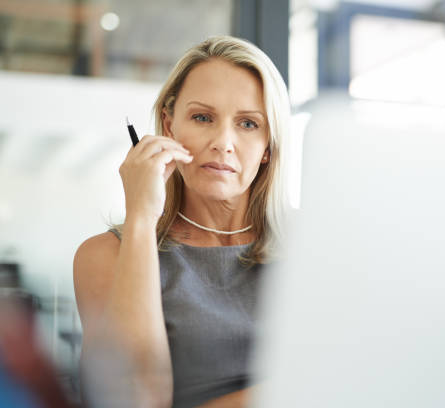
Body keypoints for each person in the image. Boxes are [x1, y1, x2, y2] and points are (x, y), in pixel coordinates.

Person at [73, 35, 290, 408]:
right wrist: (141, 219)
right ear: (170, 127)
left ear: (269, 145)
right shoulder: (107, 255)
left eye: (248, 124)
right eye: (203, 117)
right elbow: (133, 400)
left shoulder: (316, 246)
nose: (223, 142)